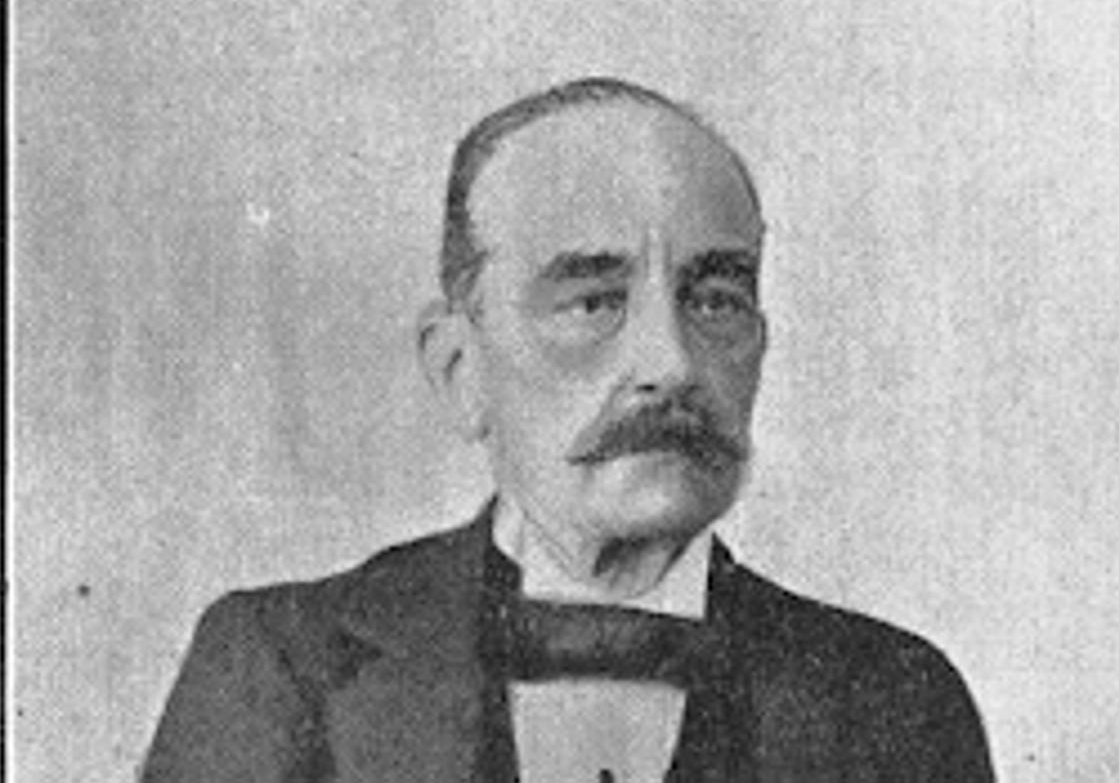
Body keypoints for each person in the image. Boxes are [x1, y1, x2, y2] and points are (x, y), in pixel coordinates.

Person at [141, 77, 995, 783]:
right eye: (593, 302)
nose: (672, 363)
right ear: (460, 368)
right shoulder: (278, 667)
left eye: (714, 300)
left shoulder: (899, 700)